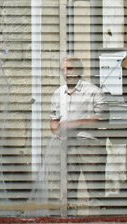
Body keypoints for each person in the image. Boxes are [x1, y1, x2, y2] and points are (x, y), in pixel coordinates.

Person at [38, 57, 107, 213]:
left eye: (70, 69)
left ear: (79, 71)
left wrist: (75, 123)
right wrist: (57, 131)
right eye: (63, 69)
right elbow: (53, 119)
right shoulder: (58, 93)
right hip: (66, 145)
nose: (66, 73)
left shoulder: (93, 91)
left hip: (89, 145)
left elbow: (101, 119)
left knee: (95, 190)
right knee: (67, 191)